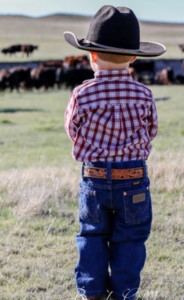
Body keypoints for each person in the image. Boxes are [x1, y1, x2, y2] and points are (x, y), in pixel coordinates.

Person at [63, 5, 166, 300]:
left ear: (92, 55)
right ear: (134, 57)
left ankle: (92, 292)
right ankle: (124, 293)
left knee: (92, 235)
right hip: (133, 178)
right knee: (130, 239)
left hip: (94, 176)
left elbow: (72, 128)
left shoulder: (82, 93)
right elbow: (152, 130)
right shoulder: (144, 93)